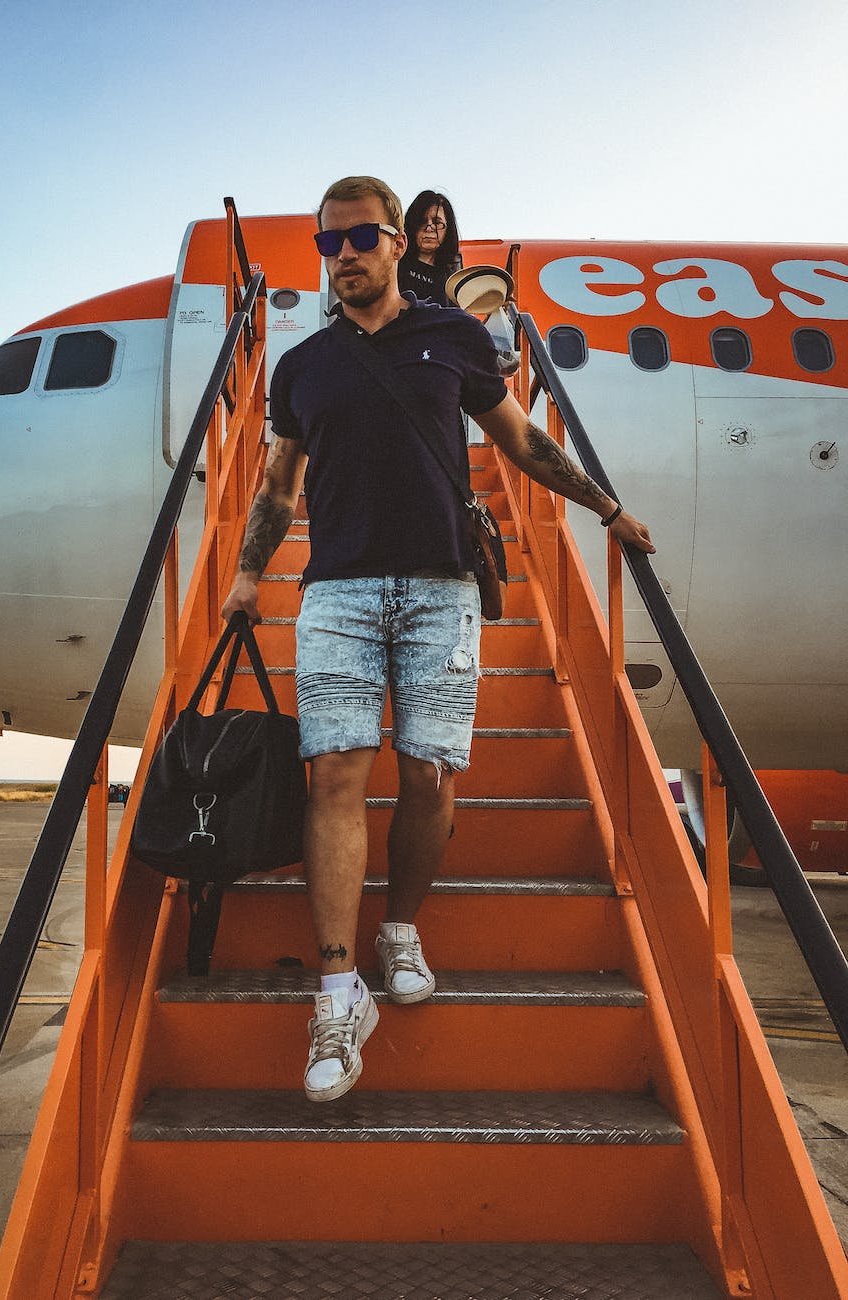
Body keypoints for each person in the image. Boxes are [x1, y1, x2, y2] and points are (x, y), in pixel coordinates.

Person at [221, 175, 655, 1104]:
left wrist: (607, 509)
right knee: (335, 773)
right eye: (326, 245)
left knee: (428, 774)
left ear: (392, 245)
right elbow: (275, 486)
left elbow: (523, 444)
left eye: (361, 239)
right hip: (334, 590)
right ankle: (338, 993)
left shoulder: (451, 338)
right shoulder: (302, 368)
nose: (344, 257)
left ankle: (400, 929)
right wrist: (249, 573)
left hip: (440, 588)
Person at [397, 189, 462, 304]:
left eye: (437, 223)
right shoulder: (395, 266)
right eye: (422, 221)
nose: (429, 228)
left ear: (448, 229)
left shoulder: (453, 278)